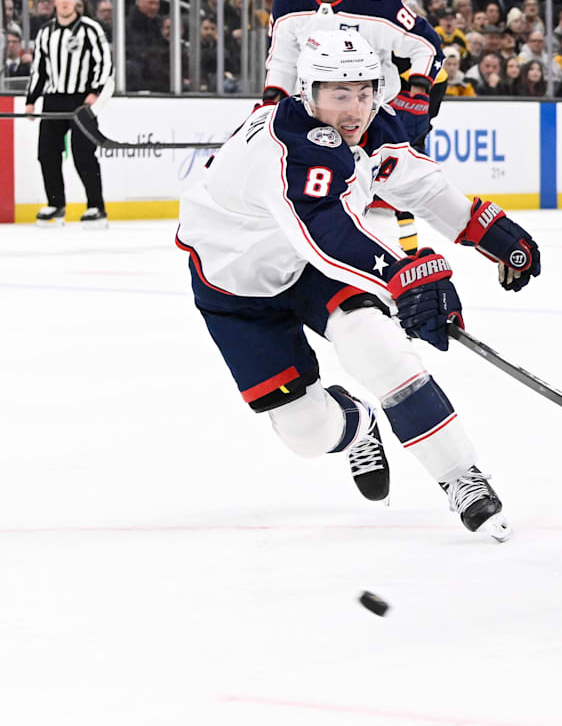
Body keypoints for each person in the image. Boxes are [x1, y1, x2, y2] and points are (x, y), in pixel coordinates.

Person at [178, 30, 542, 540]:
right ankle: (357, 425)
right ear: (307, 93)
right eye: (340, 94)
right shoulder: (288, 148)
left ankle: (461, 476)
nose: (355, 110)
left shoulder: (368, 126)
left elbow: (418, 183)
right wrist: (405, 276)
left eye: (366, 92)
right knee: (306, 433)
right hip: (234, 288)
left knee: (379, 348)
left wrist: (490, 232)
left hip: (307, 268)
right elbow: (325, 233)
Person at [263, 0, 448, 256]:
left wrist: (418, 93)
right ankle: (320, 259)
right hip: (316, 117)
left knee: (397, 188)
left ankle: (404, 256)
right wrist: (268, 106)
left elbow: (427, 44)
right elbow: (282, 62)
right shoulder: (288, 3)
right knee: (318, 195)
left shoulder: (378, 1)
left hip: (372, 116)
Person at [25, 0, 113, 228]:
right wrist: (31, 100)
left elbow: (105, 63)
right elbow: (39, 70)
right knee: (46, 153)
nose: (64, 1)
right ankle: (56, 204)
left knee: (83, 153)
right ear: (54, 0)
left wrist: (95, 92)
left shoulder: (90, 29)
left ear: (76, 0)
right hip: (53, 99)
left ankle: (96, 206)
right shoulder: (45, 32)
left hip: (81, 99)